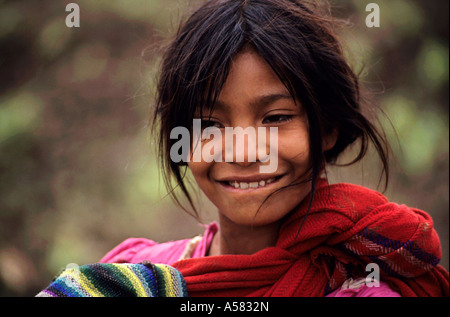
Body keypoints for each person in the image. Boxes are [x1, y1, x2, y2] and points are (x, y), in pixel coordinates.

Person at [41, 0, 449, 297]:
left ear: (326, 128)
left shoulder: (365, 288)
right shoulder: (129, 279)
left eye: (275, 118)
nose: (242, 151)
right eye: (210, 124)